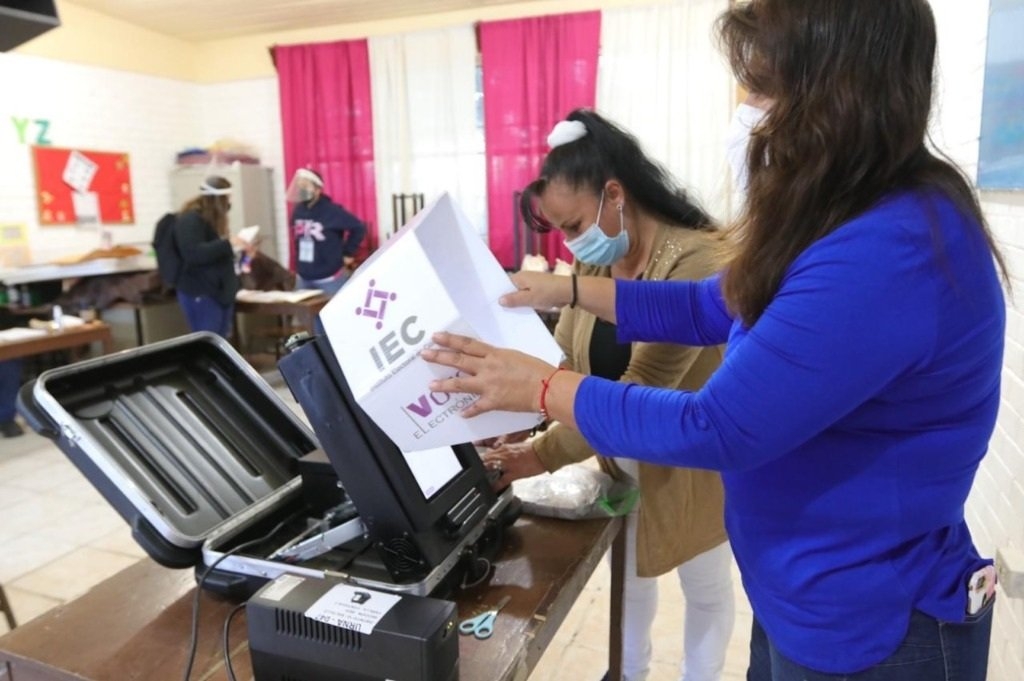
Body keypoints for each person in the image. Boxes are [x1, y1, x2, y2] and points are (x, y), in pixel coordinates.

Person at [423, 1, 1007, 679]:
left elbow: (717, 423)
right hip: (802, 595)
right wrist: (570, 290)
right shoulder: (842, 214)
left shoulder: (889, 248)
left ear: (835, 95)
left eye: (761, 89)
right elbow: (712, 304)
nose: (748, 116)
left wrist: (542, 388)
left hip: (871, 623)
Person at [486, 109, 734, 681]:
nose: (571, 243)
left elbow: (643, 388)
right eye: (563, 232)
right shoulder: (592, 258)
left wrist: (542, 450)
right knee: (631, 576)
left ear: (614, 195)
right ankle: (628, 672)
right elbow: (568, 360)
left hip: (687, 461)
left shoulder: (695, 258)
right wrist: (521, 415)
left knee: (705, 585)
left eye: (573, 225)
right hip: (609, 449)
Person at [174, 176, 251, 338]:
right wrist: (227, 244)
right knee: (207, 343)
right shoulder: (191, 220)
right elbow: (193, 253)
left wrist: (237, 250)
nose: (229, 204)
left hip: (219, 292)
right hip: (200, 292)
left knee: (221, 343)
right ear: (218, 200)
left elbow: (215, 253)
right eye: (227, 199)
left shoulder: (211, 221)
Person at [288, 168, 366, 297]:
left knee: (330, 316)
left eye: (305, 186)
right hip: (303, 278)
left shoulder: (332, 211)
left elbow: (358, 227)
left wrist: (348, 253)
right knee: (305, 316)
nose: (301, 189)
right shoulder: (298, 211)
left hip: (329, 279)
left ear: (318, 190)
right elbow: (297, 238)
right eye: (299, 186)